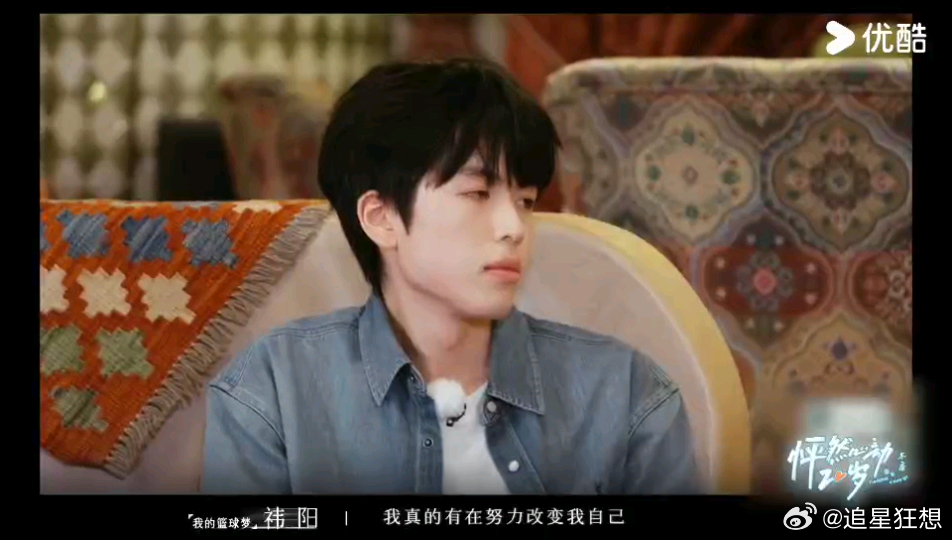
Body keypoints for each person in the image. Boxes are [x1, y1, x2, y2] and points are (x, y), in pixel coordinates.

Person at [201, 57, 702, 495]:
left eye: (525, 201)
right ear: (381, 218)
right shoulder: (273, 389)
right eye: (477, 194)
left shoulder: (624, 392)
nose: (514, 228)